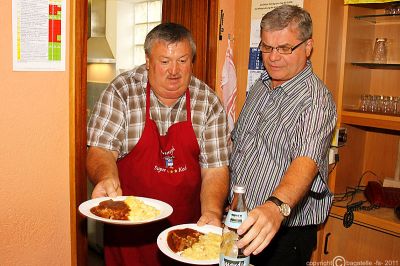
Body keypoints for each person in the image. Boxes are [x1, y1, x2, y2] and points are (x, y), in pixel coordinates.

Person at [86, 22, 229, 266]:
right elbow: (100, 149)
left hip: (185, 234)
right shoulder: (123, 91)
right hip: (128, 231)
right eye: (164, 61)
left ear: (192, 61)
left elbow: (215, 169)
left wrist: (213, 213)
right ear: (148, 60)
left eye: (182, 61)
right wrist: (106, 177)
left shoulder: (208, 102)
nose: (174, 71)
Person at [229, 5, 337, 266]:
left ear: (308, 46)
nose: (273, 57)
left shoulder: (316, 101)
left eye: (285, 48)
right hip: (239, 221)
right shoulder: (260, 86)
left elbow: (306, 162)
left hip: (283, 233)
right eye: (266, 47)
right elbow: (239, 145)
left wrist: (275, 207)